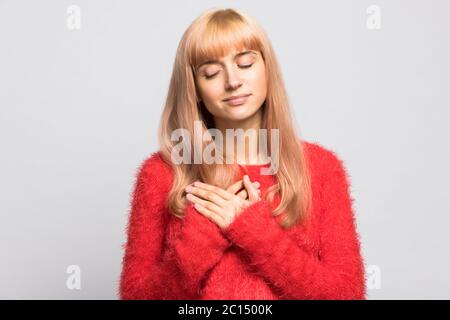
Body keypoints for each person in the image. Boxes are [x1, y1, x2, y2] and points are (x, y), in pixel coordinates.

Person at [119, 7, 366, 300]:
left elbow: (345, 295)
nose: (232, 81)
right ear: (195, 88)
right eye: (211, 72)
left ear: (267, 69)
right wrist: (202, 236)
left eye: (245, 64)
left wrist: (253, 230)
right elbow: (136, 296)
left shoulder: (321, 168)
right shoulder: (162, 174)